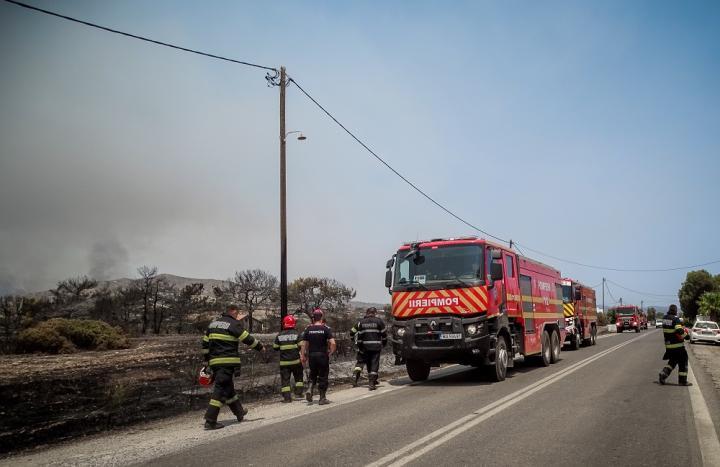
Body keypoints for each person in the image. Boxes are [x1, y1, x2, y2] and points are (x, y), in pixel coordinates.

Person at [201, 304, 264, 430]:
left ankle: (239, 412)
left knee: (228, 388)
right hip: (227, 362)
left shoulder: (212, 325)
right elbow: (246, 338)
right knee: (220, 390)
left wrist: (207, 361)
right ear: (233, 311)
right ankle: (210, 420)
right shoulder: (233, 324)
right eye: (237, 313)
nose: (238, 315)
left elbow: (205, 344)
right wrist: (260, 347)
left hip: (215, 362)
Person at [299, 308, 336, 405]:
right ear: (321, 317)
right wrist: (330, 352)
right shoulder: (325, 329)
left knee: (313, 374)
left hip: (312, 356)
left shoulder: (308, 329)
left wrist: (303, 356)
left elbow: (304, 344)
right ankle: (322, 398)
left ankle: (310, 388)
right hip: (322, 355)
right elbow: (332, 343)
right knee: (323, 376)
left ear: (313, 318)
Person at [351, 307, 387, 390]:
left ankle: (355, 378)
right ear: (375, 313)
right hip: (375, 347)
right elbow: (384, 334)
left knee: (361, 363)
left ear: (366, 313)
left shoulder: (361, 322)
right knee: (374, 364)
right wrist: (384, 343)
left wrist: (357, 344)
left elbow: (358, 335)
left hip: (364, 347)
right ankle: (371, 382)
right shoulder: (379, 321)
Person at [273, 314, 304, 402]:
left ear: (284, 324)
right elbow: (301, 346)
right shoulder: (297, 334)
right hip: (296, 361)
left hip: (284, 363)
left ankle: (287, 398)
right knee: (298, 378)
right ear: (293, 324)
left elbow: (275, 347)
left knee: (285, 380)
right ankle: (299, 393)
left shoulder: (279, 335)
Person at [659, 304, 691, 386]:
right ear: (675, 311)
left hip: (668, 346)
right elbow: (679, 330)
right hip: (677, 345)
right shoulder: (675, 319)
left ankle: (663, 373)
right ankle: (682, 381)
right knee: (683, 361)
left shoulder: (665, 318)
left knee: (673, 361)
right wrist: (686, 336)